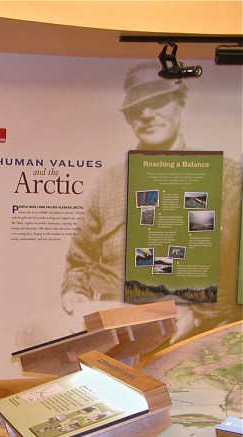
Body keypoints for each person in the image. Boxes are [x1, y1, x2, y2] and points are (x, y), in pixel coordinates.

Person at [61, 62, 242, 338]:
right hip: (112, 328)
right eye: (135, 108)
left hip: (193, 330)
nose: (146, 114)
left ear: (180, 101)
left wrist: (196, 316)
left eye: (157, 101)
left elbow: (233, 270)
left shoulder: (225, 175)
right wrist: (75, 292)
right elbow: (80, 261)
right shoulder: (106, 182)